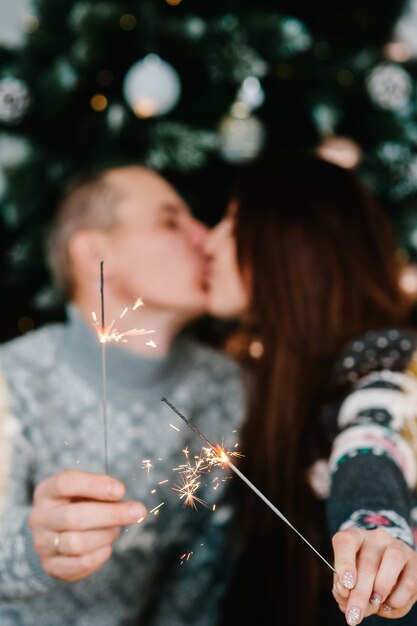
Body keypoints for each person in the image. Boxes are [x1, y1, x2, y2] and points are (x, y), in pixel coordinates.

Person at [0, 165, 244, 626]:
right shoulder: (10, 378)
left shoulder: (225, 387)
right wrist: (38, 544)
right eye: (171, 221)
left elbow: (199, 582)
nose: (205, 237)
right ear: (94, 253)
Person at [204, 154, 417, 626]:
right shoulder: (264, 373)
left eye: (235, 225)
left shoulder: (386, 358)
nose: (210, 241)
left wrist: (373, 525)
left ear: (295, 245)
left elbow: (374, 438)